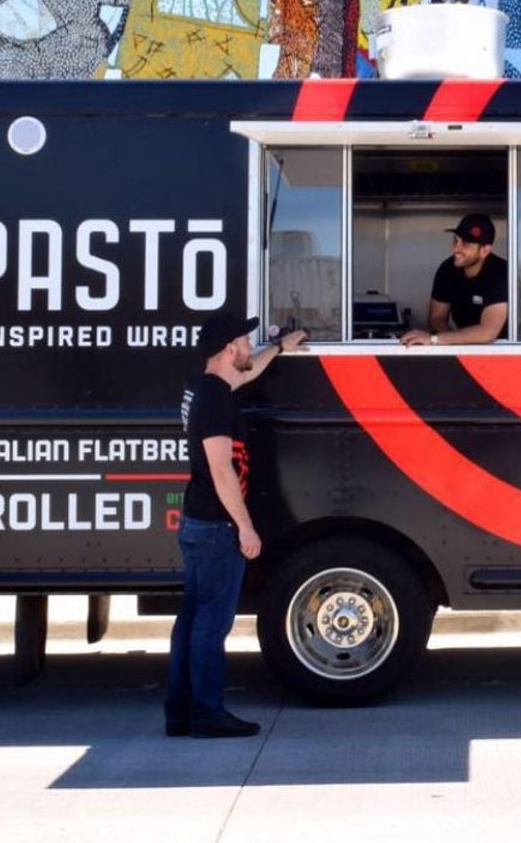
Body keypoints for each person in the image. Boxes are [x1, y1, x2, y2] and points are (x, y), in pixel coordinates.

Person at [165, 310, 307, 738]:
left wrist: (280, 347)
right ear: (229, 349)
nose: (249, 346)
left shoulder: (207, 386)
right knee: (211, 625)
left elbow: (248, 372)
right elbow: (221, 469)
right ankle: (208, 714)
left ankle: (180, 712)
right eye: (245, 341)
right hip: (216, 526)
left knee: (192, 620)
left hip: (199, 522)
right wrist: (244, 526)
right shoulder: (215, 400)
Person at [401, 213, 507, 346]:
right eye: (456, 240)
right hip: (472, 350)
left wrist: (434, 339)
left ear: (484, 251)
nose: (456, 248)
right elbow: (437, 318)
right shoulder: (448, 269)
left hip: (516, 348)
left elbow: (487, 332)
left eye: (466, 244)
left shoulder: (501, 272)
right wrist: (450, 342)